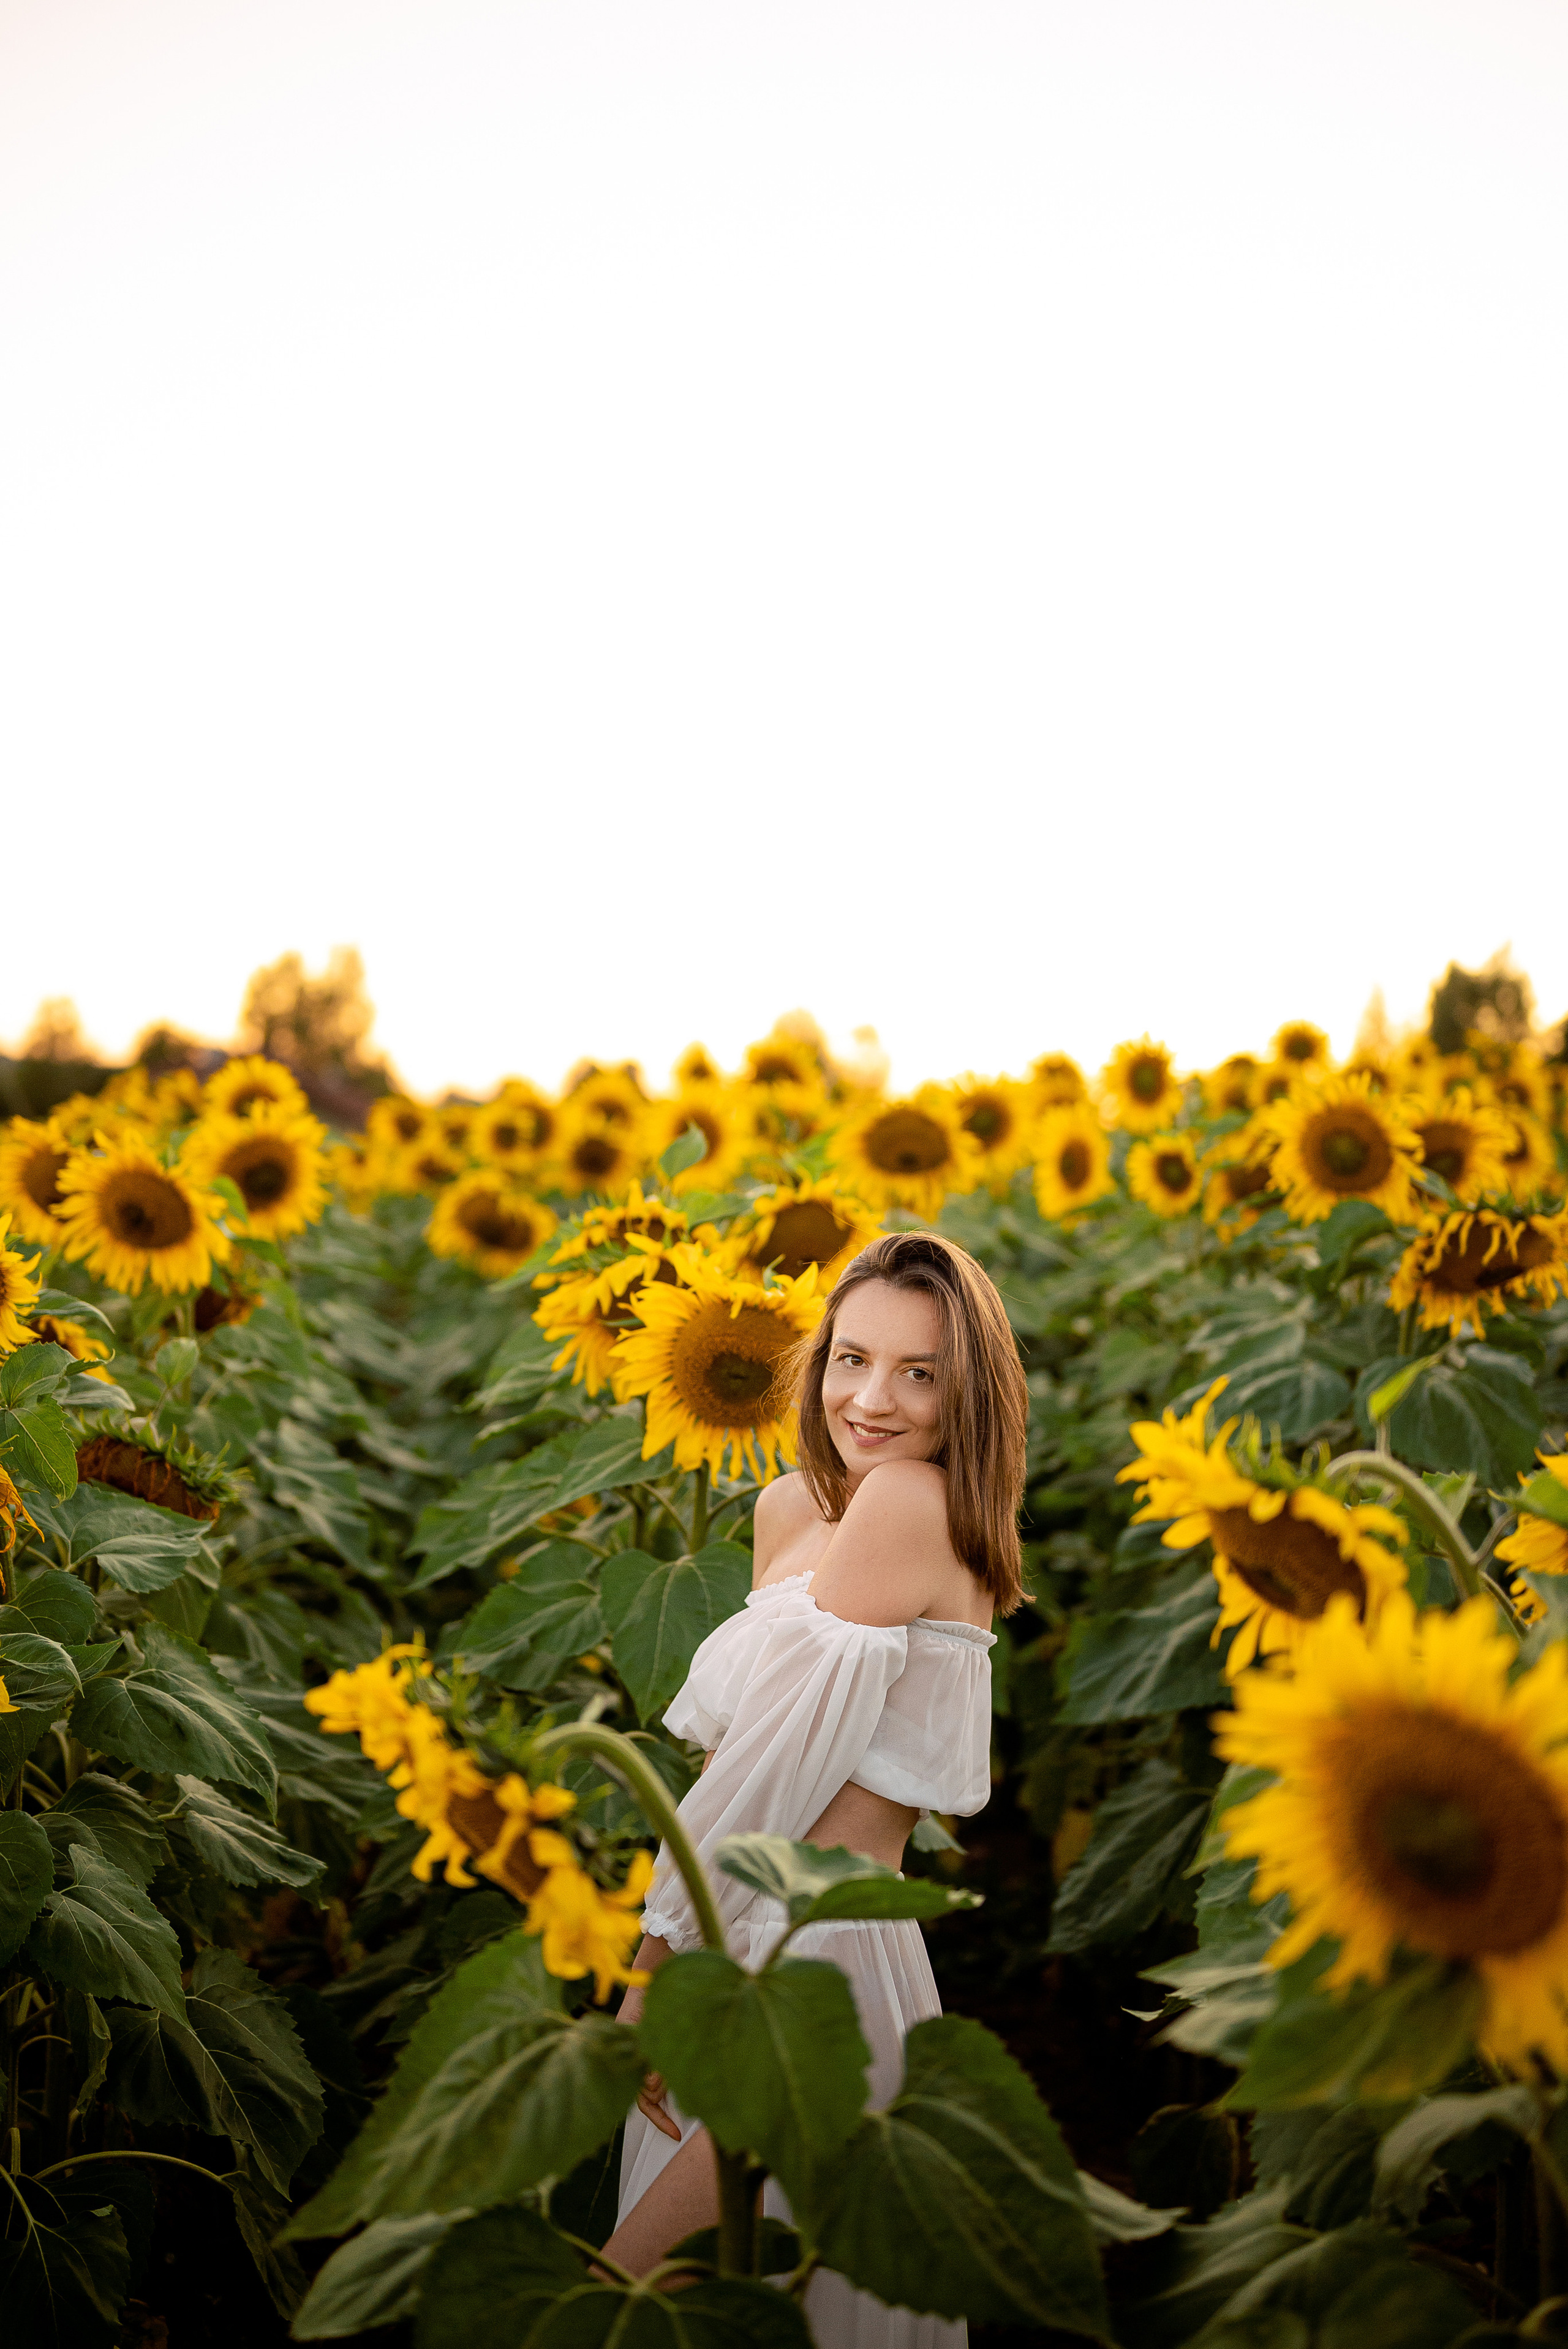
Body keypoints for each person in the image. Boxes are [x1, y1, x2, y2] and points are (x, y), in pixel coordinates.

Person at [605, 1228, 1028, 2345]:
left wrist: (651, 1966)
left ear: (968, 1393)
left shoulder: (914, 1506)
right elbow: (730, 1757)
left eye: (919, 1372)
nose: (872, 1398)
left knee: (627, 2301)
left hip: (817, 1965)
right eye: (851, 1358)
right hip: (732, 1949)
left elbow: (766, 1769)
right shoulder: (792, 1508)